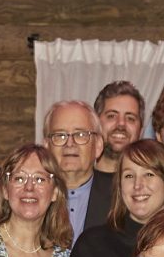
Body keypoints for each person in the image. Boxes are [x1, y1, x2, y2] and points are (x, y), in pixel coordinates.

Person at [43, 100, 112, 237]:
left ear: (98, 146)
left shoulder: (119, 194)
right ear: (46, 146)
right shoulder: (32, 194)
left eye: (80, 135)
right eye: (60, 135)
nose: (69, 143)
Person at [92, 79, 145, 174]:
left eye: (130, 118)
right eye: (112, 116)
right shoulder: (77, 181)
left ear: (141, 129)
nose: (121, 124)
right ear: (95, 124)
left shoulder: (150, 182)